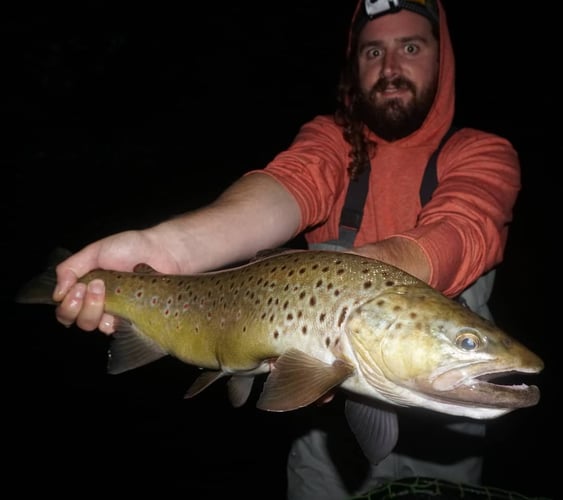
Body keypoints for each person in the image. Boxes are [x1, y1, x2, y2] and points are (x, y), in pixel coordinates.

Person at [51, 0, 520, 499]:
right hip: (322, 421)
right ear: (353, 64)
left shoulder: (483, 151)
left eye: (410, 47)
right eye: (372, 51)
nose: (390, 68)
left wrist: (369, 278)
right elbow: (285, 189)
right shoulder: (332, 141)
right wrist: (167, 246)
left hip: (448, 433)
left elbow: (465, 226)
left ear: (441, 59)